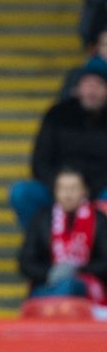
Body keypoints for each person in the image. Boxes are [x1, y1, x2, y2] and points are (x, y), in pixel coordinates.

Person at [9, 67, 107, 230]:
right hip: (57, 188)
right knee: (22, 193)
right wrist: (63, 187)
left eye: (98, 85)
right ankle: (44, 245)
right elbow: (39, 162)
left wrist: (87, 189)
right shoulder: (57, 115)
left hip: (98, 190)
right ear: (77, 88)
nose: (92, 90)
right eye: (87, 84)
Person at [18, 168, 107, 304]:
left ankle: (47, 301)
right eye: (63, 188)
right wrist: (50, 274)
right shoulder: (42, 219)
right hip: (47, 282)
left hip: (86, 285)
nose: (68, 194)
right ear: (55, 191)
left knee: (69, 285)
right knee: (62, 286)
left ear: (84, 191)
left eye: (73, 188)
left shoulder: (99, 220)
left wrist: (77, 270)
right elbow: (26, 261)